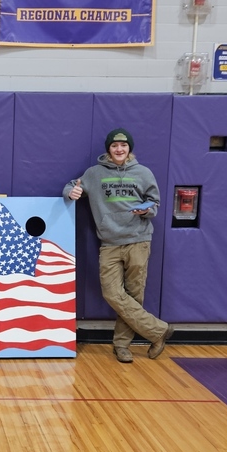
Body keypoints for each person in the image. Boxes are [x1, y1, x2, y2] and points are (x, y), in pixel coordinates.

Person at [63, 127, 173, 363]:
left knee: (134, 296)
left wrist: (147, 209)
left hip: (139, 241)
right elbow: (72, 185)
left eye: (123, 146)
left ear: (129, 148)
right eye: (115, 146)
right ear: (109, 150)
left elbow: (154, 202)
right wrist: (69, 192)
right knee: (112, 293)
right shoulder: (94, 173)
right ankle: (158, 330)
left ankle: (121, 346)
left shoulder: (143, 173)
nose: (119, 149)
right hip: (110, 243)